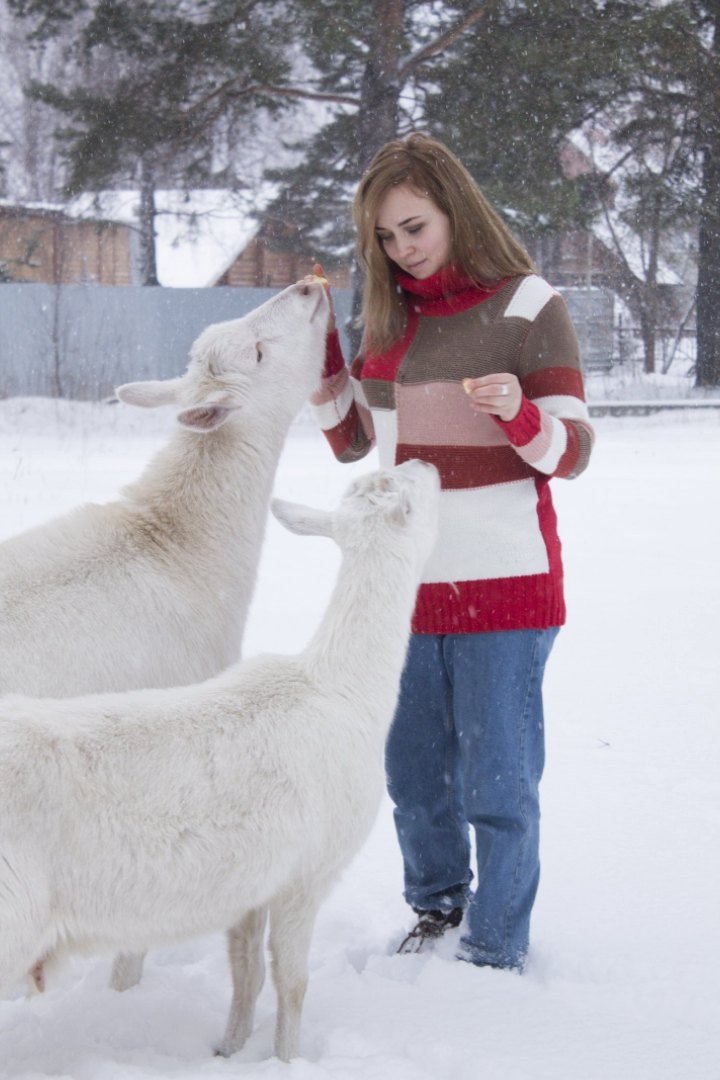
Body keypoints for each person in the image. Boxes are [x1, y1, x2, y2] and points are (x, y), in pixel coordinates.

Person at [307, 132, 594, 972]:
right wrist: (322, 354)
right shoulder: (389, 320)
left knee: (498, 785)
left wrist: (519, 412)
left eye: (414, 228)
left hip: (506, 590)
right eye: (386, 239)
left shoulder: (528, 305)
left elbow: (571, 454)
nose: (401, 250)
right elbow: (354, 442)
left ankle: (496, 946)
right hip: (404, 590)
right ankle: (435, 909)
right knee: (414, 780)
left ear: (454, 210)